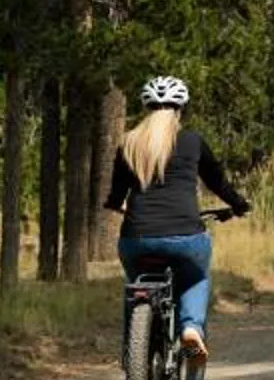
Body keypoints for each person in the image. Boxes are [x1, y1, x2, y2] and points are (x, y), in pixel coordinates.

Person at [103, 75, 250, 363]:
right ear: (180, 109)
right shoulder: (192, 141)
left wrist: (120, 207)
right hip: (185, 235)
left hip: (136, 238)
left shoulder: (129, 144)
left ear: (147, 109)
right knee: (195, 277)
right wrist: (239, 205)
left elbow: (116, 195)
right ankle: (191, 328)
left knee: (135, 286)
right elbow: (218, 183)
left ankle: (130, 351)